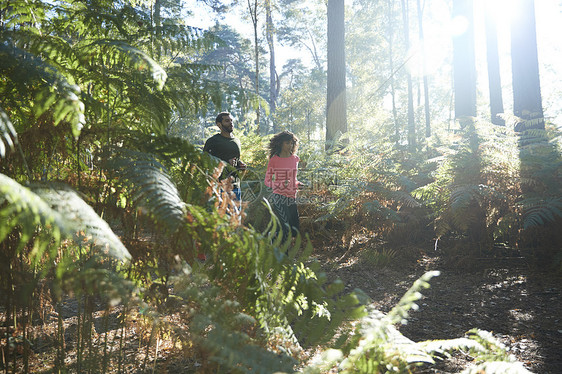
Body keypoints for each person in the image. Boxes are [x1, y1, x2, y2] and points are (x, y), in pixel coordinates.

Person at [264, 131, 303, 242]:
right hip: (279, 197)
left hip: (291, 197)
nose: (290, 145)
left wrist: (298, 184)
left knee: (294, 230)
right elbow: (267, 181)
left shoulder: (295, 159)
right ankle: (285, 257)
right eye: (287, 143)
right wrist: (279, 184)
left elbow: (293, 178)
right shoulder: (274, 160)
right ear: (281, 143)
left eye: (292, 143)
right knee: (285, 229)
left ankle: (273, 235)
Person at [203, 112, 247, 203]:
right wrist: (225, 162)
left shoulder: (236, 141)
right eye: (227, 121)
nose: (231, 123)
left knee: (236, 216)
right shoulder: (213, 141)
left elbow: (236, 159)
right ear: (219, 125)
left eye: (231, 120)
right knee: (221, 216)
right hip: (219, 186)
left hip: (235, 186)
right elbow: (204, 161)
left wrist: (241, 165)